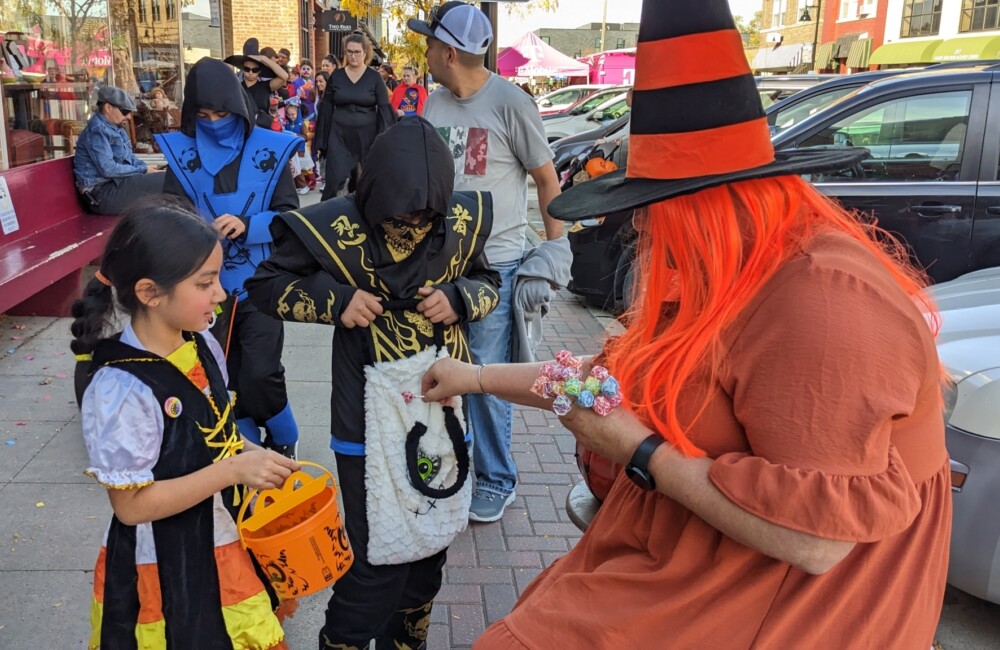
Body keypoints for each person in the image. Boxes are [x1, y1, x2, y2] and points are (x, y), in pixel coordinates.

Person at [420, 1, 952, 647]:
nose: (638, 230)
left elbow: (817, 541)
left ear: (700, 206)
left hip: (784, 606)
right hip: (695, 559)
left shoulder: (825, 302)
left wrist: (641, 451)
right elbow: (593, 383)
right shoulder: (730, 274)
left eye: (647, 210)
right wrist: (472, 377)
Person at [246, 117, 500, 650]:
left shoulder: (457, 221)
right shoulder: (335, 226)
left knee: (432, 538)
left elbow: (487, 282)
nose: (413, 226)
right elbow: (265, 285)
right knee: (378, 556)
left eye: (425, 216)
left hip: (442, 412)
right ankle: (344, 640)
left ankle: (406, 641)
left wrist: (458, 298)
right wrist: (338, 301)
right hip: (365, 419)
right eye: (402, 215)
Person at [71, 198, 300, 648]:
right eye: (205, 282)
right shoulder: (120, 389)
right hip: (165, 560)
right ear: (150, 293)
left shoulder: (202, 344)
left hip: (222, 531)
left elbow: (218, 432)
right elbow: (132, 506)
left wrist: (258, 458)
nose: (219, 293)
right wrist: (232, 470)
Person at [409, 1, 564, 522]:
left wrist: (554, 247)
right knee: (442, 370)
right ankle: (456, 462)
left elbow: (546, 181)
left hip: (495, 267)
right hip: (440, 265)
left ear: (448, 51)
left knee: (484, 376)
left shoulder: (511, 103)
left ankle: (498, 479)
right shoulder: (432, 104)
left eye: (429, 43)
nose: (425, 52)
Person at [155, 57, 302, 458]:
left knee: (260, 371)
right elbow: (171, 213)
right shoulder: (181, 154)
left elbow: (291, 216)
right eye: (203, 114)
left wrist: (249, 224)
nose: (213, 121)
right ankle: (246, 446)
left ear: (237, 107)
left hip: (262, 281)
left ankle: (284, 434)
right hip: (205, 287)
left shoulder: (269, 149)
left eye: (221, 112)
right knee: (222, 373)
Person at [314, 32, 395, 200]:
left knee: (365, 179)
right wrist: (322, 139)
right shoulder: (336, 76)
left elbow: (384, 109)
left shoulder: (374, 78)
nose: (353, 55)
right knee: (334, 179)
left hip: (367, 134)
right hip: (339, 133)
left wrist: (386, 138)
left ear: (365, 53)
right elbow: (326, 108)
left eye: (357, 51)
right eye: (349, 51)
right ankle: (328, 218)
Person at [74, 86, 165, 215]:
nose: (128, 117)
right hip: (101, 194)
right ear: (108, 108)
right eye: (125, 111)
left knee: (170, 177)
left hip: (115, 186)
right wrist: (144, 170)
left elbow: (130, 157)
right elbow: (108, 169)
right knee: (168, 180)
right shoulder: (97, 130)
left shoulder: (117, 128)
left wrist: (148, 168)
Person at [224, 38, 289, 128]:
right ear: (243, 69)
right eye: (247, 69)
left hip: (262, 130)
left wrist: (264, 59)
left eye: (255, 70)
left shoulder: (266, 86)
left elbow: (284, 77)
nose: (250, 72)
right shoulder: (236, 88)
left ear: (259, 71)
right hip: (242, 130)